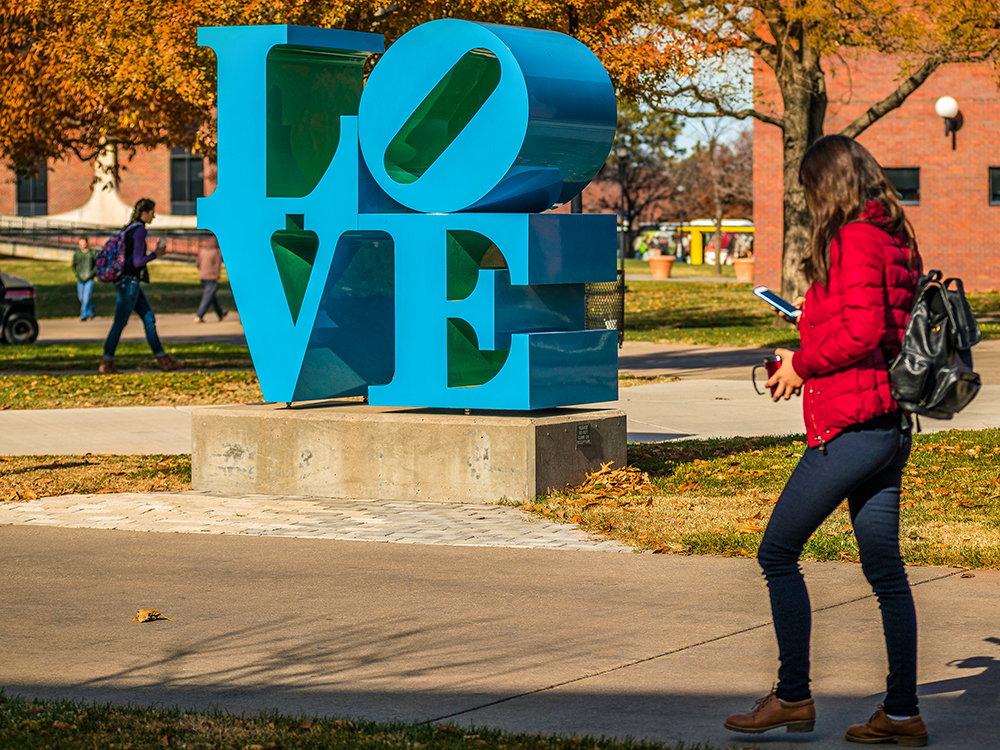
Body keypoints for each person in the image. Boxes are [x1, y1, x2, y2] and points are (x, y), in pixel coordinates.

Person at [724, 135, 927, 746]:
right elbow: (876, 320)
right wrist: (809, 320)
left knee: (777, 552)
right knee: (886, 571)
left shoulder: (853, 237)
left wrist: (801, 364)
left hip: (852, 425)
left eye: (810, 189)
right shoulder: (893, 234)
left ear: (829, 186)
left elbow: (863, 331)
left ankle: (792, 697)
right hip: (887, 423)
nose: (808, 201)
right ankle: (901, 713)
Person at [99, 198, 185, 374]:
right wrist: (156, 253)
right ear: (144, 213)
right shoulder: (139, 231)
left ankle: (164, 360)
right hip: (129, 283)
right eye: (152, 212)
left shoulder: (128, 228)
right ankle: (106, 362)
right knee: (120, 323)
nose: (154, 216)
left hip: (126, 281)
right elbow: (138, 261)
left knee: (149, 318)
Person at [193, 237, 228, 323]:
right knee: (207, 297)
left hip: (203, 276)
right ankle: (199, 315)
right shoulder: (215, 252)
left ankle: (220, 314)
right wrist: (217, 276)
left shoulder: (203, 251)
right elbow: (217, 266)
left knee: (211, 296)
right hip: (212, 277)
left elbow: (197, 263)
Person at [72, 236, 97, 321]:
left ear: (87, 243)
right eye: (80, 244)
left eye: (83, 244)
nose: (81, 246)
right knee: (81, 298)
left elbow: (96, 265)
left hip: (89, 278)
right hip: (81, 278)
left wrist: (92, 274)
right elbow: (73, 265)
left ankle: (83, 315)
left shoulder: (92, 253)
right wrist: (78, 274)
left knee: (86, 297)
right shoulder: (77, 253)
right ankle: (91, 309)